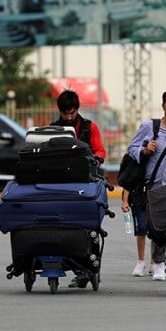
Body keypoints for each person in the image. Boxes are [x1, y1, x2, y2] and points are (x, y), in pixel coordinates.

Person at [126, 89, 166, 281]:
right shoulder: (149, 127)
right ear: (163, 106)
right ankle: (159, 265)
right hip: (154, 187)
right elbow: (131, 148)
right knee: (157, 227)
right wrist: (144, 150)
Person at [51, 89, 107, 287]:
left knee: (87, 225)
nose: (68, 117)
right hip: (60, 184)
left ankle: (86, 267)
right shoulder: (52, 129)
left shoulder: (89, 127)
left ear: (77, 110)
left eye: (71, 113)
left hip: (85, 182)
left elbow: (100, 149)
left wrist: (96, 159)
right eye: (64, 113)